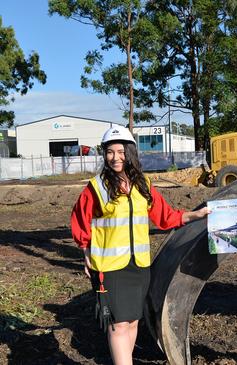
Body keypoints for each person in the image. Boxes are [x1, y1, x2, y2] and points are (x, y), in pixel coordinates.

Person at [70, 125, 209, 365]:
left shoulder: (142, 185)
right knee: (119, 323)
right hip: (110, 268)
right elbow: (80, 221)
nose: (115, 158)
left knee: (132, 320)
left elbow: (166, 217)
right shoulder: (97, 188)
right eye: (110, 152)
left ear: (131, 152)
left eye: (121, 151)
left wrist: (195, 216)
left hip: (139, 266)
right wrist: (85, 252)